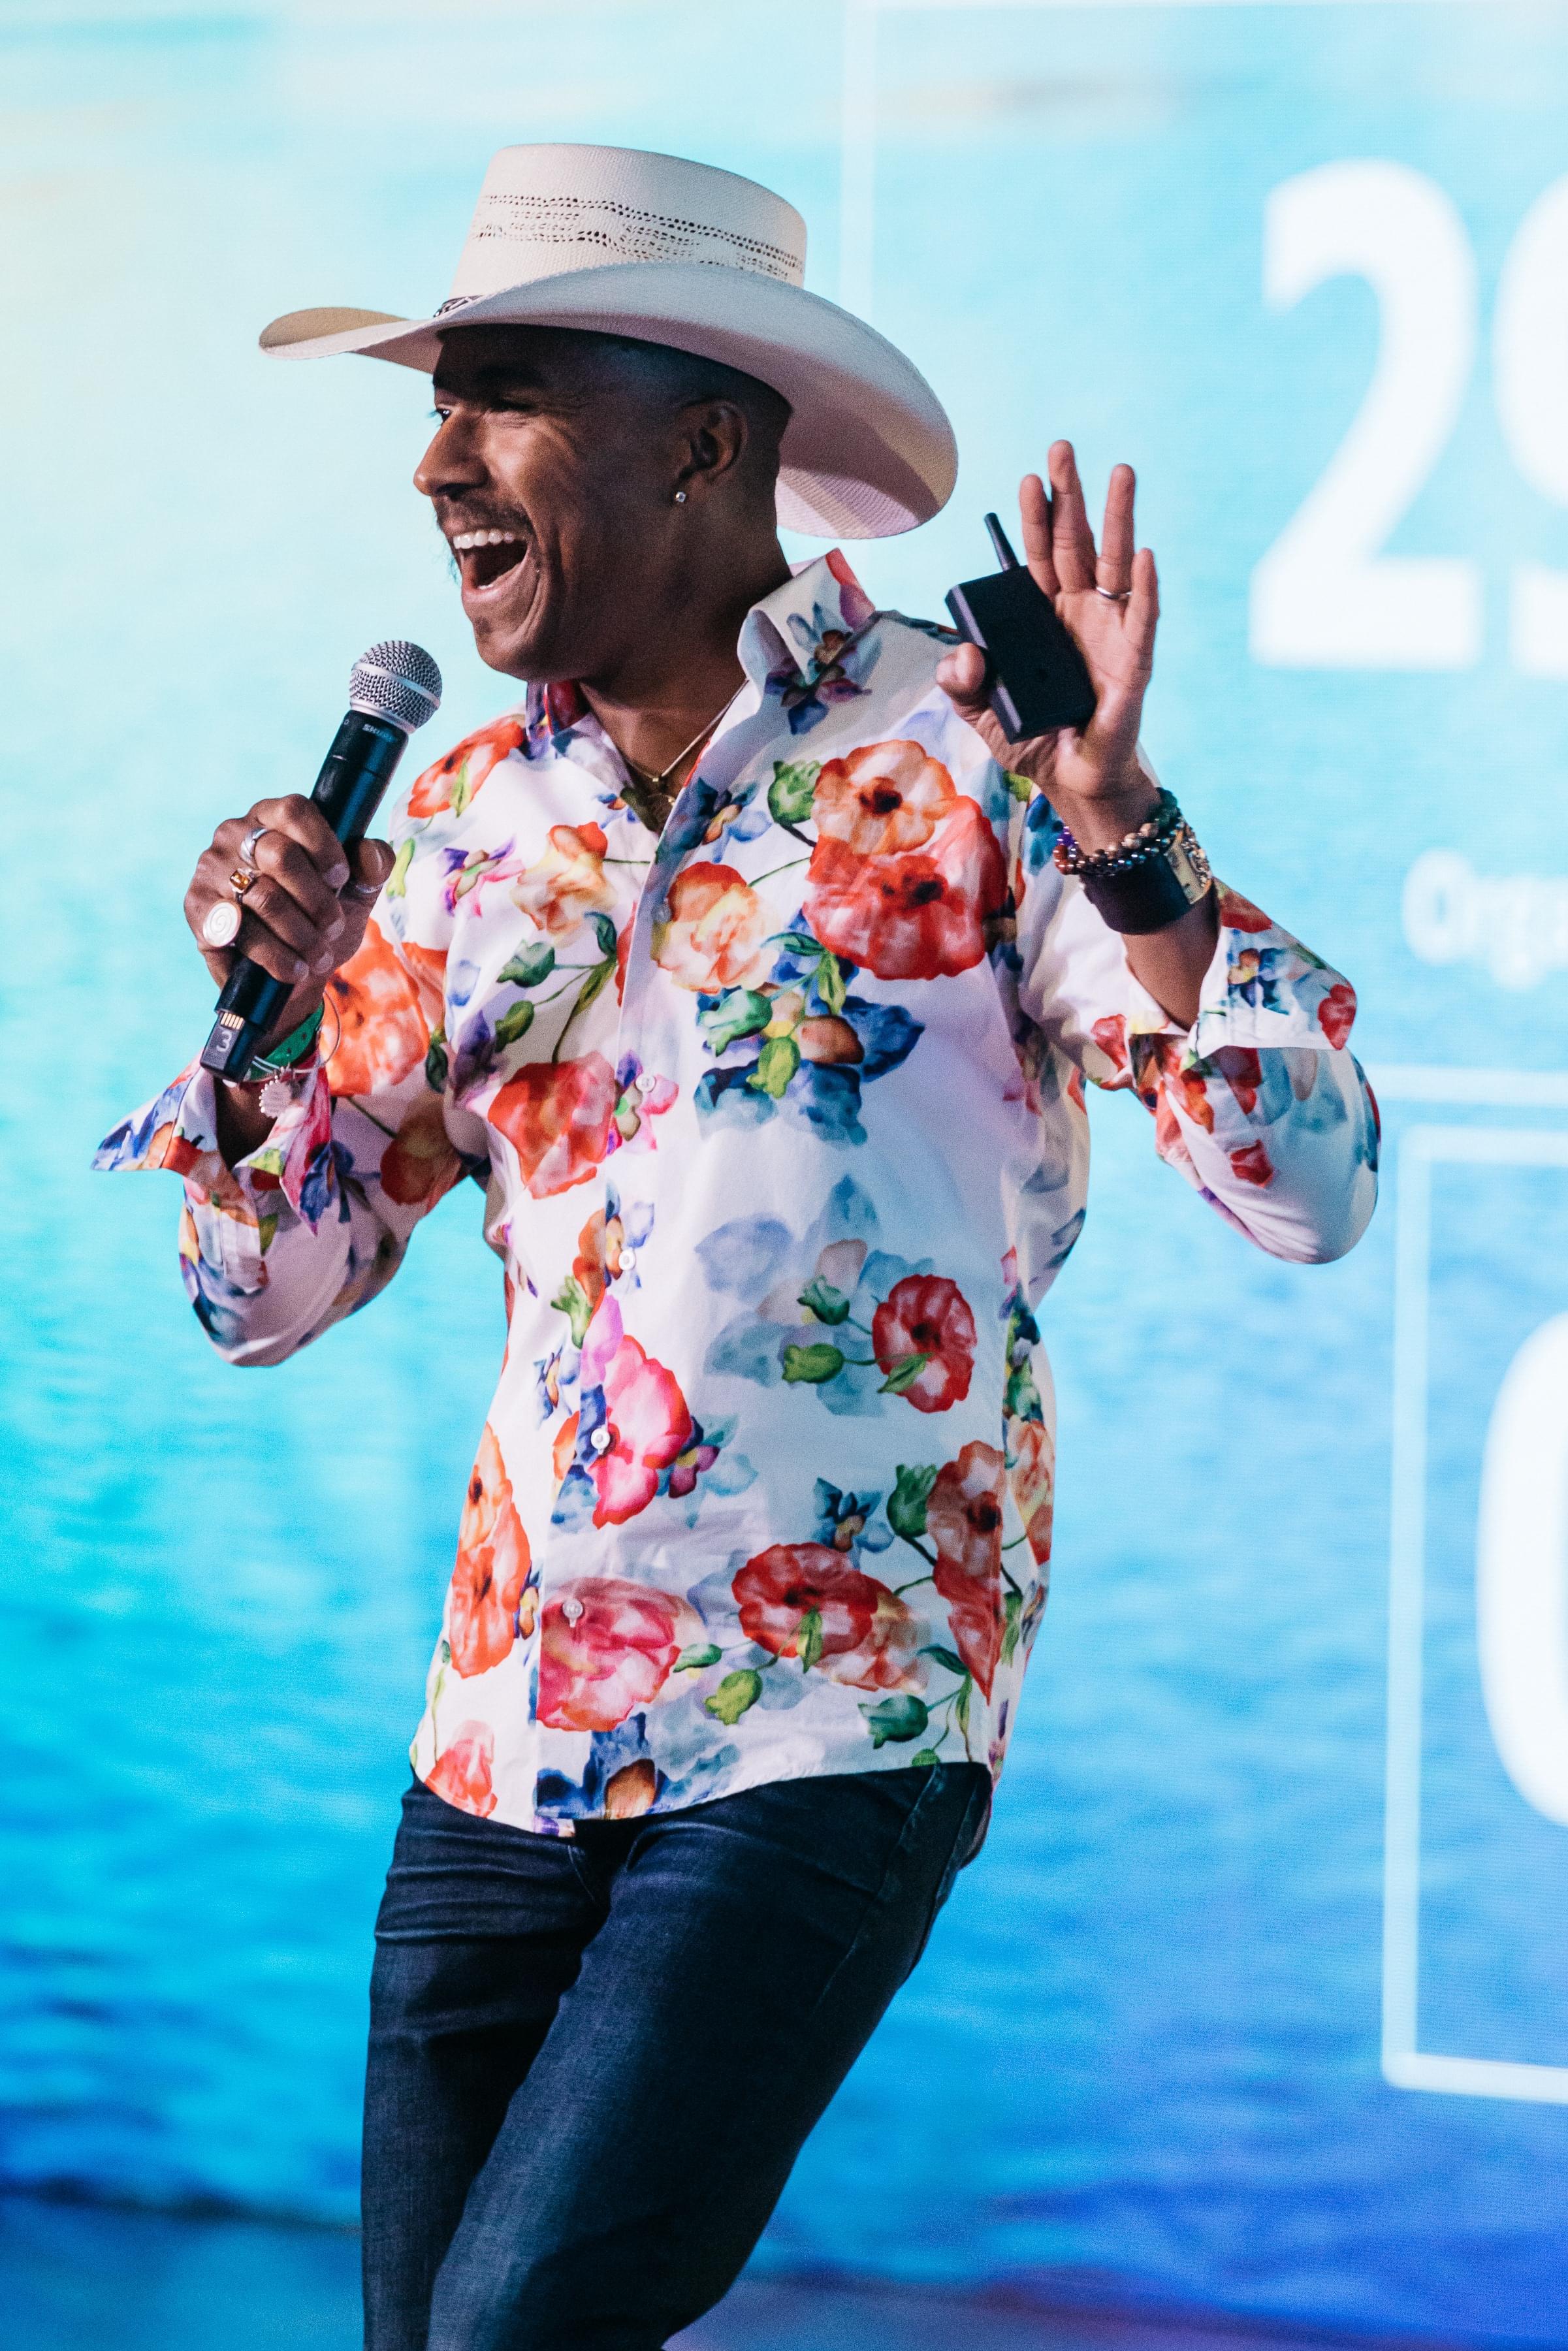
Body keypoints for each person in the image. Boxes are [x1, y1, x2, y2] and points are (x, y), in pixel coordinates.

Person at [97, 143, 1378, 2351]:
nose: (434, 464)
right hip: (499, 1732)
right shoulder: (459, 824)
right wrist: (263, 1032)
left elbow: (1309, 1189)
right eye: (438, 408)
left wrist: (1118, 822)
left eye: (499, 399)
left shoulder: (979, 752)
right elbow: (257, 1298)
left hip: (829, 1720)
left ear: (701, 443)